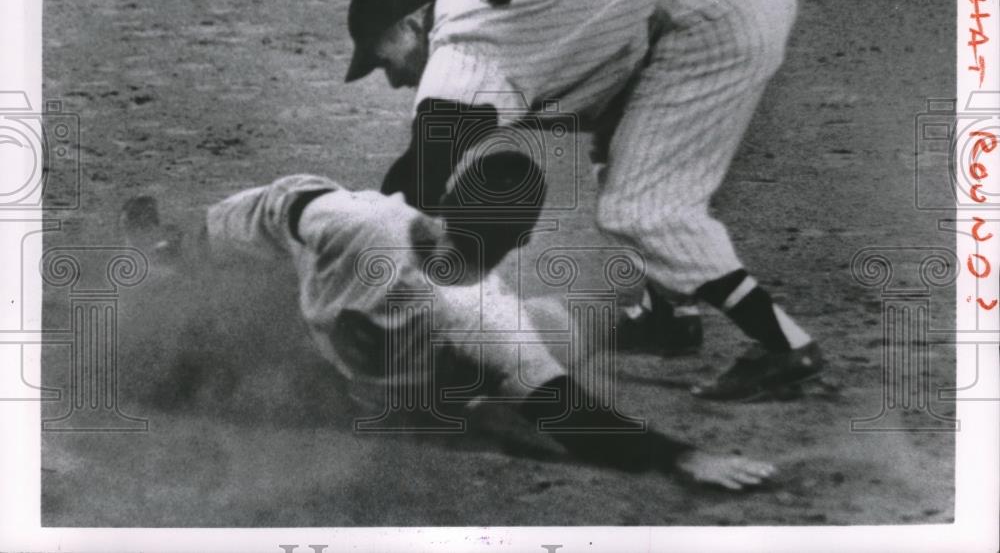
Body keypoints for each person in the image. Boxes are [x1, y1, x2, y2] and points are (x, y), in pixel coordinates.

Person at [341, 0, 823, 401]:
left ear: (412, 24)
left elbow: (421, 171)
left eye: (383, 60)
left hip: (714, 24)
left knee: (642, 210)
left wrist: (376, 281)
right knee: (618, 141)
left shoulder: (459, 53)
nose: (393, 79)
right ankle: (672, 317)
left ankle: (785, 346)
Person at [121, 174, 776, 490]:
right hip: (297, 269)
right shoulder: (348, 225)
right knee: (213, 311)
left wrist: (678, 455)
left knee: (537, 338)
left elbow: (566, 413)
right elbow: (281, 225)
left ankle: (641, 321)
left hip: (394, 352)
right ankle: (165, 251)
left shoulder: (480, 309)